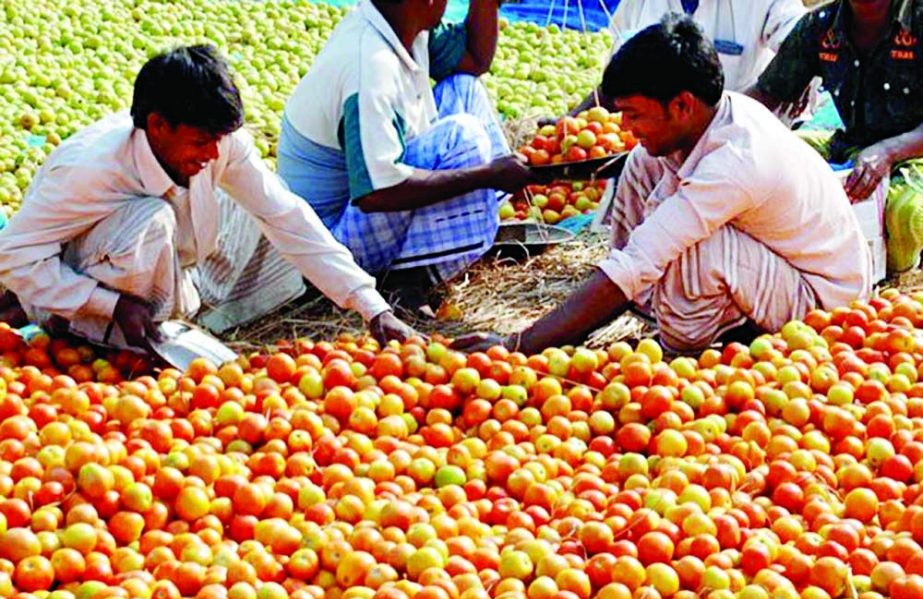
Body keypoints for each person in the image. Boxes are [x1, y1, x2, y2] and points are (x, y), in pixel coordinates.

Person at [454, 14, 871, 355]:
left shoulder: (734, 162)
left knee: (698, 248)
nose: (627, 127)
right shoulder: (711, 118)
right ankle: (659, 307)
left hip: (823, 301)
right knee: (640, 164)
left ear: (682, 105)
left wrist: (516, 346)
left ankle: (695, 343)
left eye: (635, 115)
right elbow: (633, 261)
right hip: (781, 263)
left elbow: (638, 261)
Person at [0, 45, 416, 352]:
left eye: (219, 140)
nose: (214, 153)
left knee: (256, 201)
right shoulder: (89, 171)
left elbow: (285, 216)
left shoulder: (219, 147)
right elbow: (12, 255)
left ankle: (165, 315)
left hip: (165, 265)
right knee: (152, 220)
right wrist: (108, 304)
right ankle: (92, 331)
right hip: (82, 283)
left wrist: (371, 306)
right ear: (158, 125)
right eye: (201, 141)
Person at [277, 0, 535, 310]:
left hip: (362, 209)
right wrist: (487, 175)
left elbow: (474, 61)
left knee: (465, 89)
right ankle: (409, 278)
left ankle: (428, 252)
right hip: (328, 250)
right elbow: (378, 193)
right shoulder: (369, 67)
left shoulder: (405, 27)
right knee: (463, 137)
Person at [746, 0, 923, 273]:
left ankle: (899, 277)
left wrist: (888, 152)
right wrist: (712, 118)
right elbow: (767, 94)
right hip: (853, 145)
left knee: (905, 214)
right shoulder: (821, 26)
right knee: (774, 158)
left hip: (915, 150)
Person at [564, 0, 810, 119]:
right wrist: (570, 125)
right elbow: (620, 81)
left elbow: (804, 39)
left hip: (742, 139)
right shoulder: (638, 4)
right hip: (657, 142)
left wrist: (792, 76)